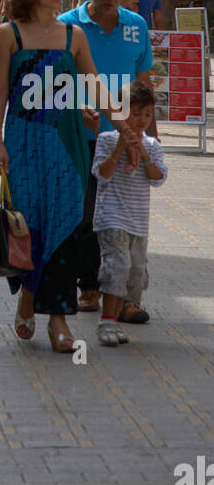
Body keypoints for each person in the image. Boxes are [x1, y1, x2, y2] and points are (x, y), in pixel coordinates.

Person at [0, 0, 125, 352]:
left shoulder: (73, 36)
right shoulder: (8, 34)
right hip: (25, 141)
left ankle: (60, 321)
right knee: (30, 225)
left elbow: (95, 86)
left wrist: (126, 127)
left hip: (67, 143)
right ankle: (29, 295)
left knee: (67, 224)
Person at [58, 0, 154, 321]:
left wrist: (149, 140)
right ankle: (89, 287)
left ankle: (128, 294)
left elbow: (144, 86)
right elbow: (56, 82)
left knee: (126, 219)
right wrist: (75, 106)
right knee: (87, 214)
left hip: (125, 138)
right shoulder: (68, 26)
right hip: (82, 136)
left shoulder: (136, 27)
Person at [92, 81, 167, 346]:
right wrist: (122, 146)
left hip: (138, 221)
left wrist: (143, 151)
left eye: (147, 114)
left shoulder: (152, 145)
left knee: (135, 271)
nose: (142, 120)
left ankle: (126, 310)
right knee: (117, 266)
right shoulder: (106, 139)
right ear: (120, 112)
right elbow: (103, 174)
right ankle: (107, 321)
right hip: (112, 216)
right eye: (136, 113)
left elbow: (157, 177)